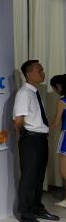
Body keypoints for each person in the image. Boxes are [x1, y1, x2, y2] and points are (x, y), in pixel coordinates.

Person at [13, 60, 60, 222]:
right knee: (28, 177)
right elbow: (18, 121)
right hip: (31, 140)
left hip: (40, 140)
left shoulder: (34, 92)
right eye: (39, 70)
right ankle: (26, 214)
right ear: (29, 74)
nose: (43, 73)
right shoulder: (24, 93)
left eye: (42, 70)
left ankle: (37, 208)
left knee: (39, 176)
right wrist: (26, 136)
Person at [49, 74, 66, 207]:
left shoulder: (63, 101)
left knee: (64, 170)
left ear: (59, 86)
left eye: (54, 88)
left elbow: (56, 123)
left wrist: (44, 125)